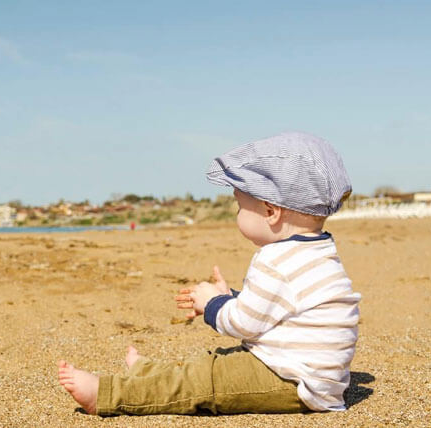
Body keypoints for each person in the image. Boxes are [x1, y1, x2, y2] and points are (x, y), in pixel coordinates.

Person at [58, 131, 361, 415]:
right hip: (314, 377)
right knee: (215, 361)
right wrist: (230, 297)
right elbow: (279, 309)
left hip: (293, 381)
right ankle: (148, 372)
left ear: (271, 211)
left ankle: (108, 394)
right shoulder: (318, 250)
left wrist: (212, 306)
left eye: (240, 206)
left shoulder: (275, 260)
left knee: (205, 379)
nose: (237, 213)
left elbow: (244, 325)